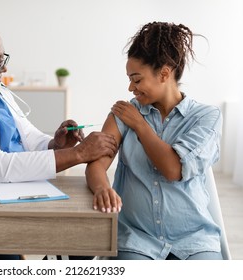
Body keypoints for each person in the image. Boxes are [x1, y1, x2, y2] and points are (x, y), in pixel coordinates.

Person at [0, 23, 118, 260]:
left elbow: (28, 138)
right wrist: (79, 154)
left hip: (19, 195)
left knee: (81, 242)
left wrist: (54, 144)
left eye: (4, 59)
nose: (5, 68)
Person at [85, 22, 223, 260]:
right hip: (136, 239)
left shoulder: (206, 117)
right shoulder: (123, 113)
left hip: (195, 240)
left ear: (165, 73)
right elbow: (97, 164)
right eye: (129, 79)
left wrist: (139, 124)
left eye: (137, 80)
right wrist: (102, 188)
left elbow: (173, 169)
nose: (131, 87)